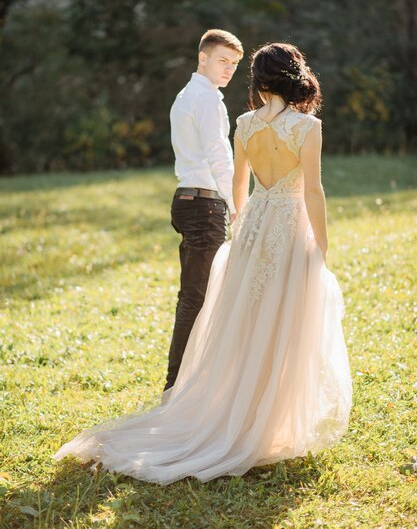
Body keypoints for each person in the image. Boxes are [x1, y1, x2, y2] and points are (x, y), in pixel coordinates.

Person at [54, 42, 352, 484]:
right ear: (294, 76)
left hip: (254, 223)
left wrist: (242, 221)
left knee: (247, 320)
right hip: (289, 225)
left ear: (259, 80)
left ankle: (243, 413)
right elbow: (313, 191)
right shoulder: (307, 128)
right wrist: (322, 247)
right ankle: (265, 423)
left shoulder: (245, 124)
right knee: (286, 320)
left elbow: (238, 182)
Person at [165, 29, 244, 390]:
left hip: (187, 200)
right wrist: (238, 206)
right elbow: (219, 157)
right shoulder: (207, 99)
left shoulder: (186, 95)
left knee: (196, 296)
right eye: (222, 61)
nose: (228, 69)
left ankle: (191, 381)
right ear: (203, 58)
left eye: (234, 64)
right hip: (204, 205)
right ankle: (176, 387)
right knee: (196, 298)